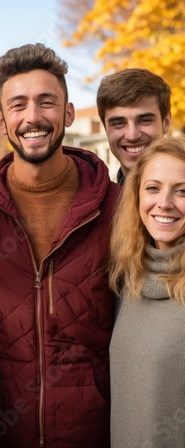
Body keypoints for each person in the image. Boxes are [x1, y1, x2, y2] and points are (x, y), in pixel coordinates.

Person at [0, 43, 120, 448]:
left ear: (66, 112)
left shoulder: (117, 207)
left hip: (95, 432)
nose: (33, 117)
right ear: (0, 120)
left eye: (46, 102)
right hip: (0, 432)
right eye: (18, 105)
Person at [109, 135, 185, 447]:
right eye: (153, 188)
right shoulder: (126, 279)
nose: (164, 203)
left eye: (182, 191)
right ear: (137, 195)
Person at [96, 68, 171, 184]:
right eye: (118, 123)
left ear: (166, 122)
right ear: (105, 128)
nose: (132, 135)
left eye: (144, 120)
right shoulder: (99, 200)